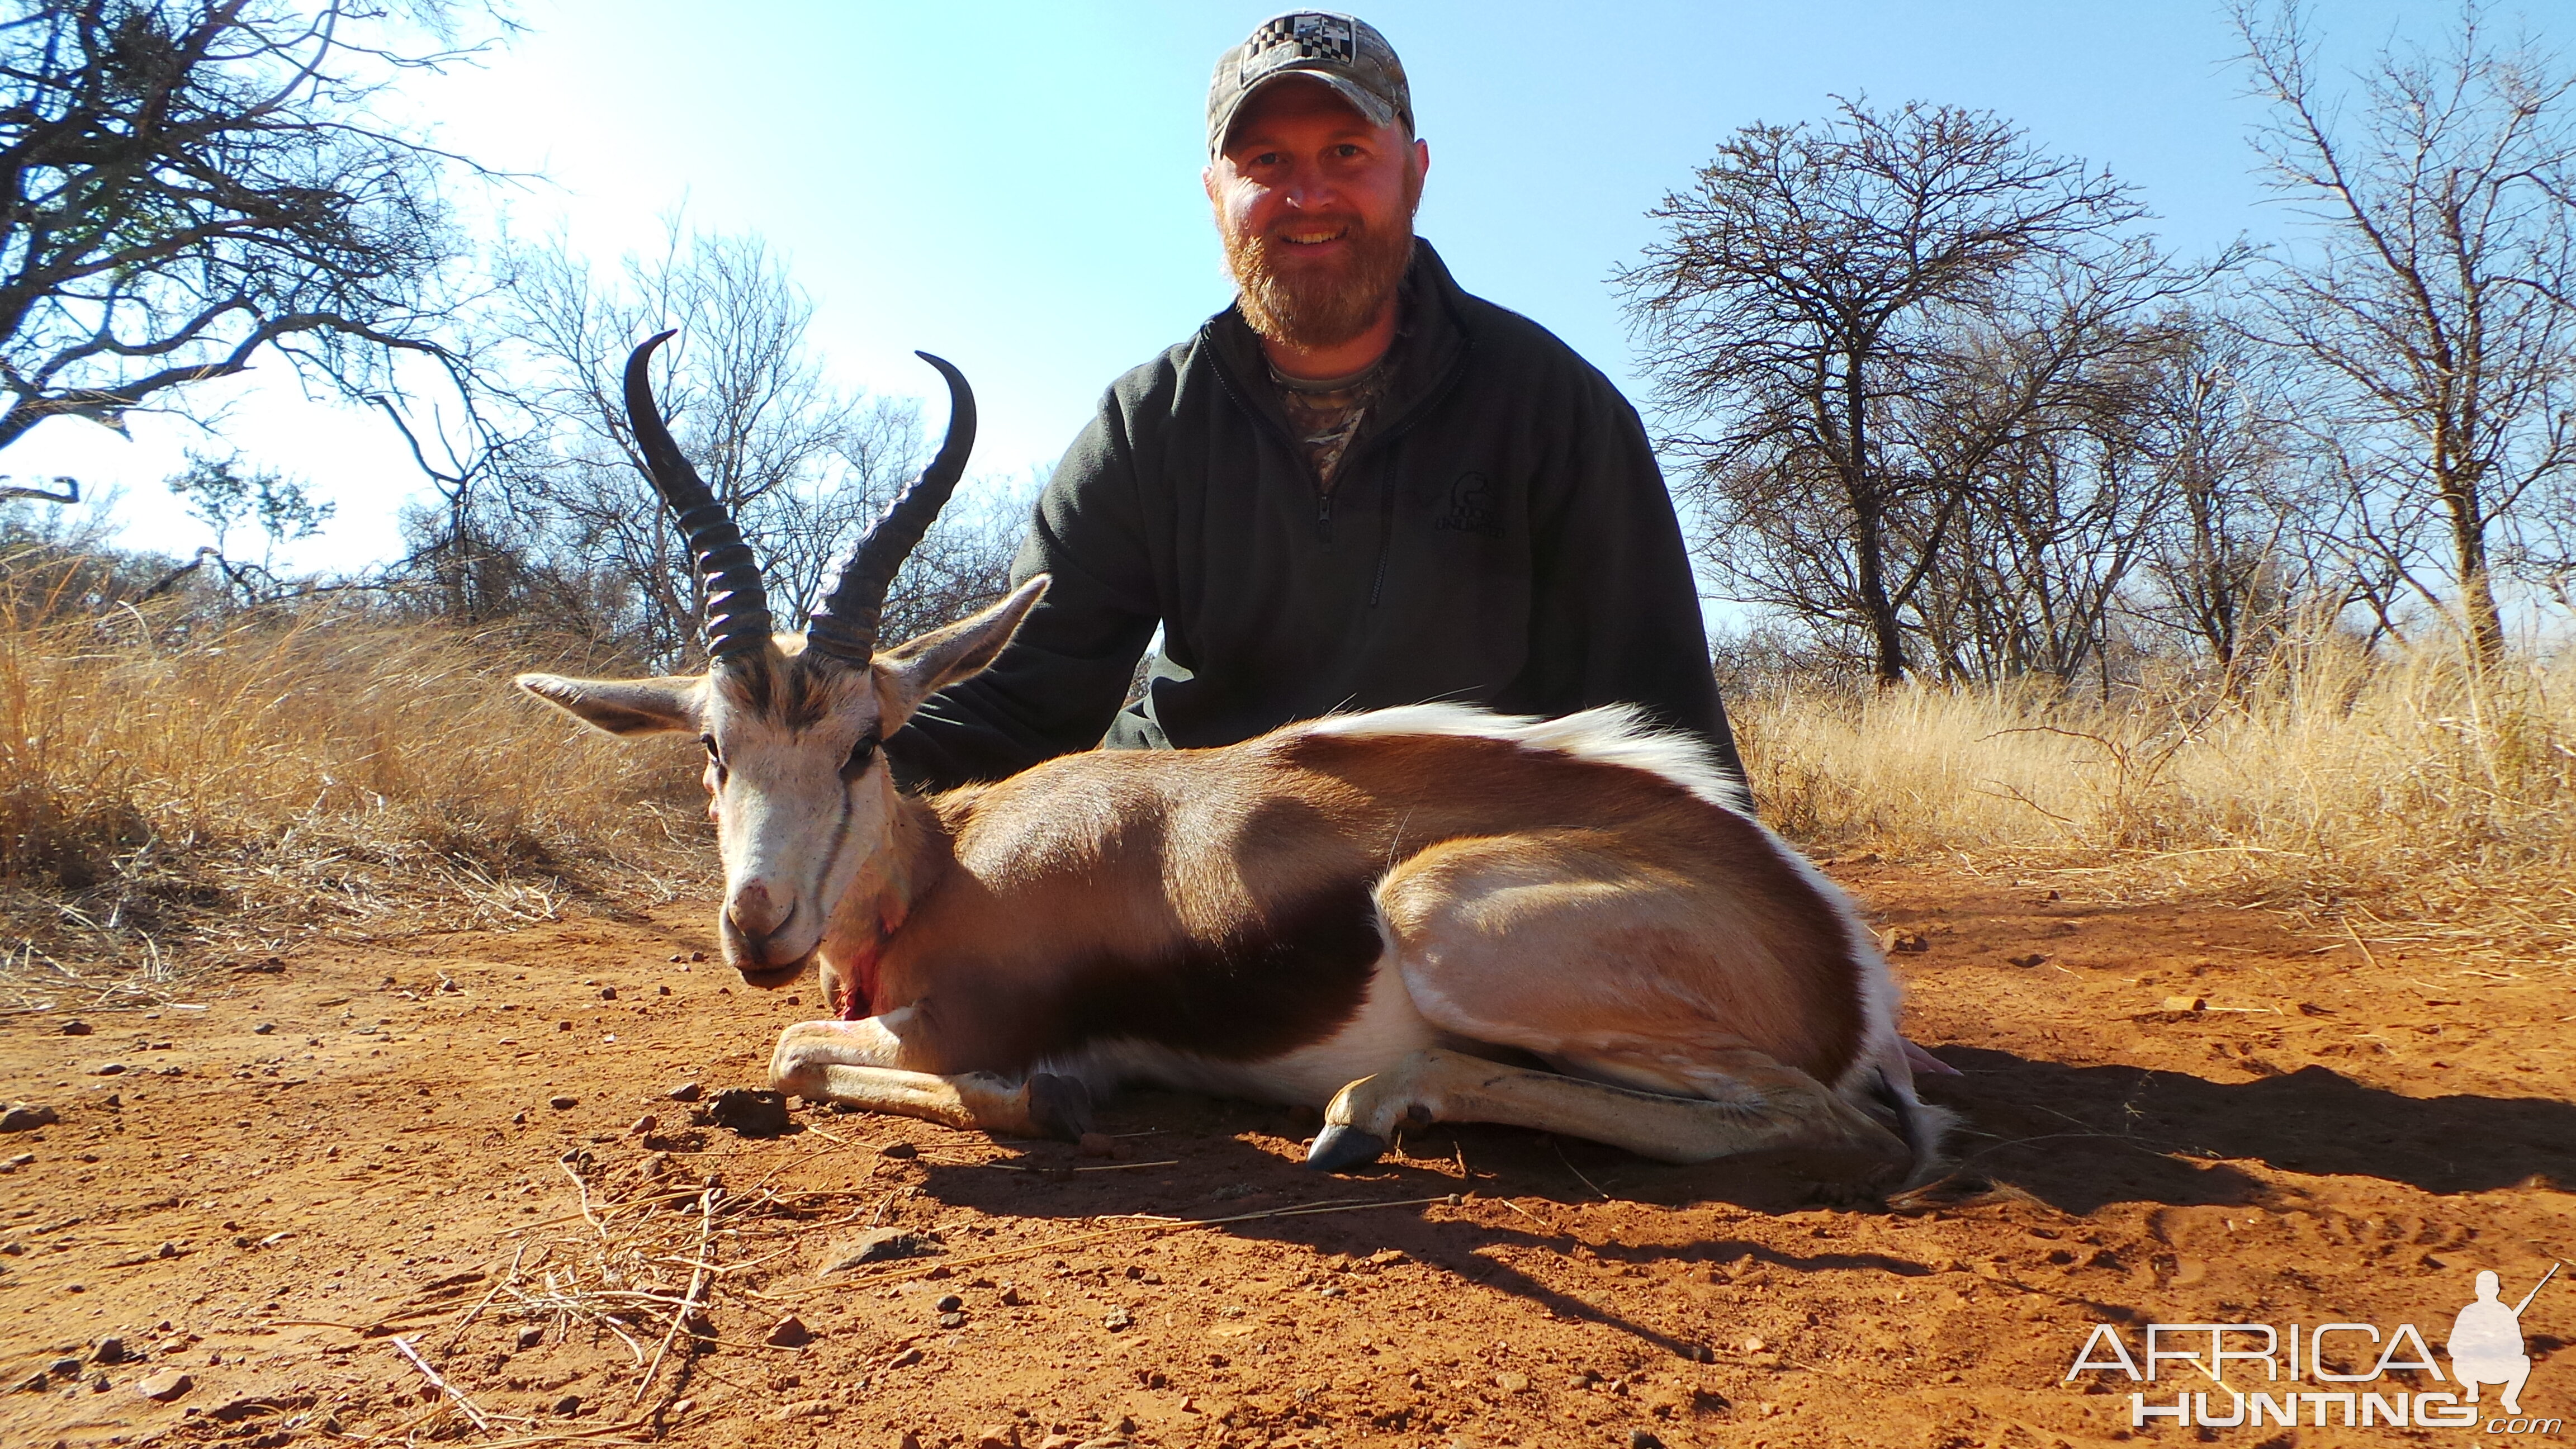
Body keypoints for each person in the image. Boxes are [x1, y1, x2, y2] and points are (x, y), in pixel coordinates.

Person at [884, 11, 1747, 798]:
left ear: (1415, 172)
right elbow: (1019, 706)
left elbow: (1666, 736)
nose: (1308, 198)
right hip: (1190, 880)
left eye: (1347, 152)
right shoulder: (1145, 426)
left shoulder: (1558, 411)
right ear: (1215, 193)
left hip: (1462, 889)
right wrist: (831, 771)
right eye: (1267, 162)